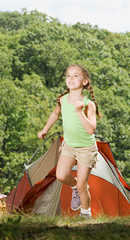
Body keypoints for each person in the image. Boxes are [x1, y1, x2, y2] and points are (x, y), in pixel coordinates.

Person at [38, 64, 101, 219]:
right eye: (68, 75)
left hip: (86, 148)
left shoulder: (88, 104)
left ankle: (86, 214)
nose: (70, 78)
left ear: (85, 82)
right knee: (61, 175)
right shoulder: (63, 100)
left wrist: (79, 112)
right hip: (69, 145)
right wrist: (45, 129)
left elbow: (91, 129)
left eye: (75, 76)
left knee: (82, 185)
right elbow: (55, 114)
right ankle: (76, 187)